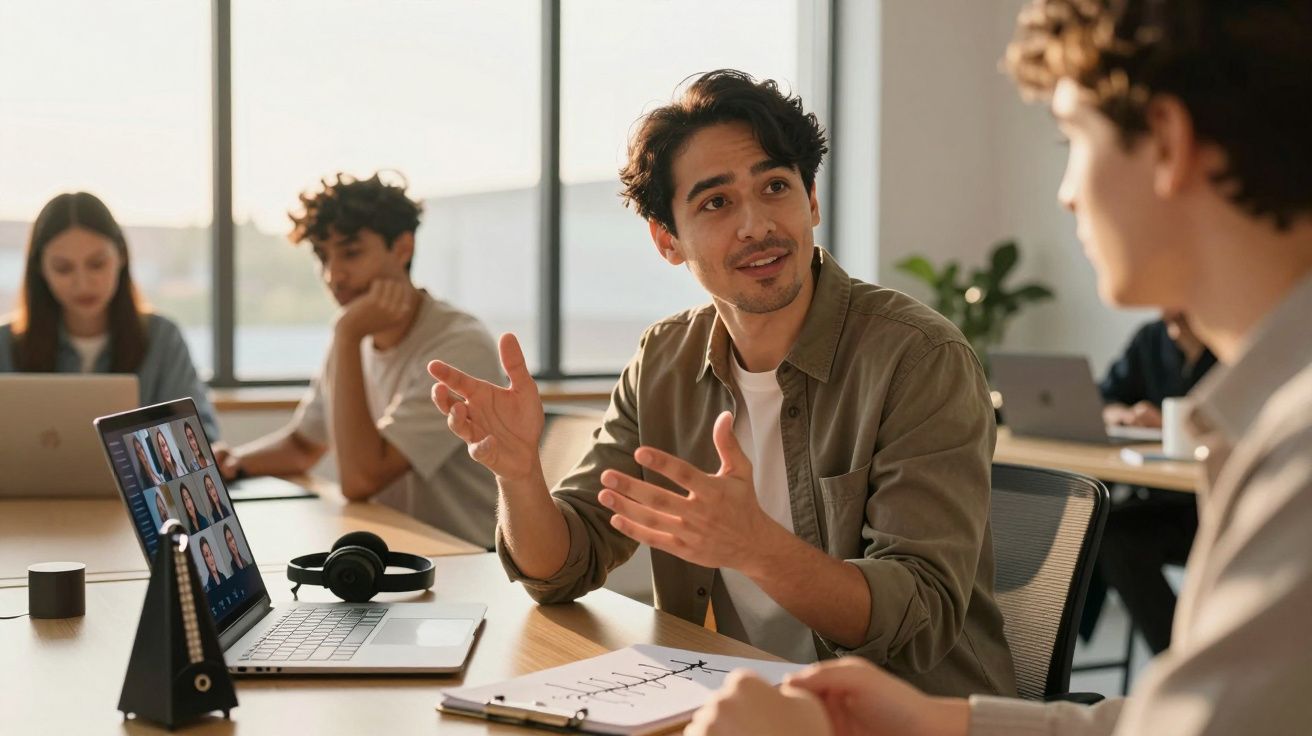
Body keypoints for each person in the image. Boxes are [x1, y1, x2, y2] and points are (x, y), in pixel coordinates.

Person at [686, 0, 1312, 733]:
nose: (1067, 191)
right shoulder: (1274, 423)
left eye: (1069, 138)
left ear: (1168, 143)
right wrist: (943, 722)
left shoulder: (1297, 454)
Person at [429, 70, 1016, 696]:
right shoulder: (664, 360)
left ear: (811, 200)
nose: (756, 225)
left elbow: (920, 617)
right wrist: (519, 476)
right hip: (740, 702)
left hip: (907, 714)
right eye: (716, 202)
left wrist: (756, 547)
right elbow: (562, 568)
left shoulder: (918, 356)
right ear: (666, 240)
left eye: (775, 187)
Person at [213, 173, 502, 548]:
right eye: (322, 256)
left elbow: (361, 480)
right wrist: (235, 461)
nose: (334, 276)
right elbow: (303, 445)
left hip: (469, 558)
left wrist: (346, 335)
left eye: (351, 253)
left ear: (402, 247)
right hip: (401, 549)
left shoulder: (458, 346)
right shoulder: (355, 333)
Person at [0, 192, 220, 439]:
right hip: (30, 480)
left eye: (97, 264)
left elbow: (202, 442)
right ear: (40, 269)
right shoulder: (5, 344)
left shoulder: (162, 338)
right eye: (63, 268)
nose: (82, 283)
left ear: (121, 257)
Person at [1081, 310, 1217, 654]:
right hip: (1168, 501)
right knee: (1110, 530)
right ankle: (1177, 656)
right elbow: (1102, 399)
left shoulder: (1230, 342)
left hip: (1220, 503)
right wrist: (1126, 416)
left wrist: (1183, 429)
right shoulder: (1150, 339)